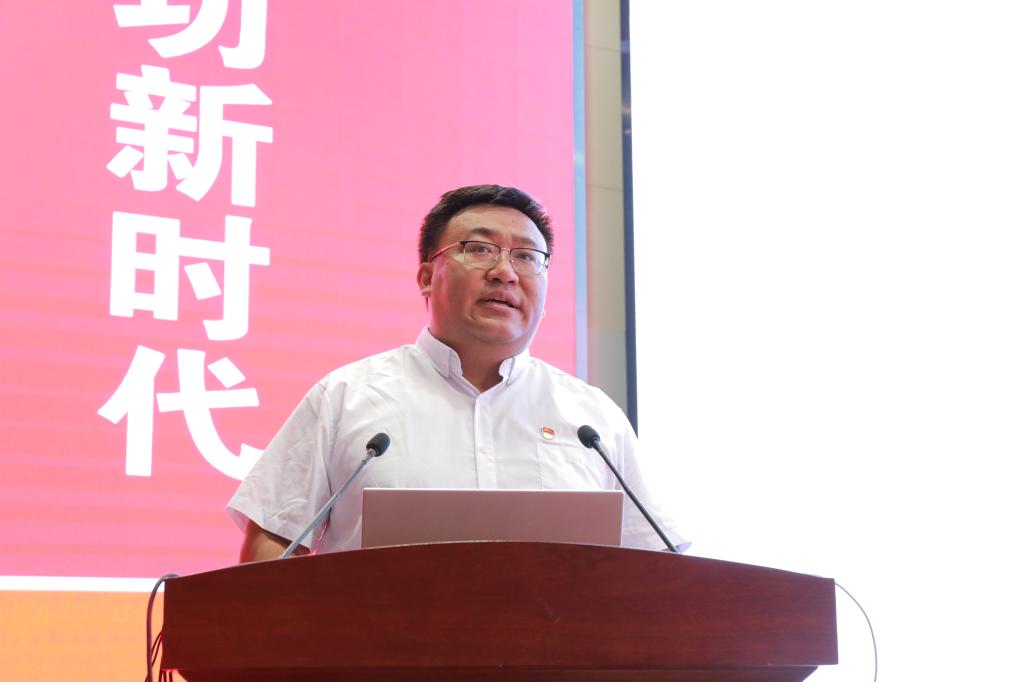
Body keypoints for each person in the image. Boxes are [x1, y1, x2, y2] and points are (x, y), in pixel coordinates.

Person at [227, 184, 686, 562]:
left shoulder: (592, 419)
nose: (505, 273)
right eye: (479, 249)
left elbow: (658, 563)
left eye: (527, 256)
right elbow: (275, 540)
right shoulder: (347, 396)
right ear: (427, 277)